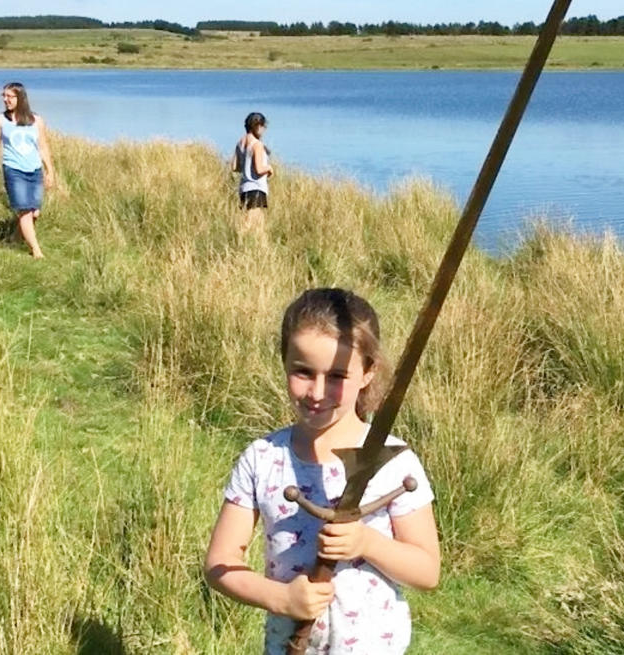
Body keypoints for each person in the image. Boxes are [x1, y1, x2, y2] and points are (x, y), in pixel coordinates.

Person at [205, 288, 440, 654]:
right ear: (284, 362)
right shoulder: (263, 459)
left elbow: (427, 572)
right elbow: (219, 564)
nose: (317, 391)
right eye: (303, 372)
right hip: (291, 645)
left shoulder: (393, 461)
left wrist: (367, 543)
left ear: (367, 373)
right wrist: (282, 598)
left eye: (336, 376)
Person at [0, 82, 56, 259]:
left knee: (34, 212)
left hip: (34, 170)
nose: (5, 100)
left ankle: (15, 238)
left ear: (20, 98)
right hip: (13, 170)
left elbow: (43, 147)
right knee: (24, 210)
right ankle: (36, 251)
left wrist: (50, 171)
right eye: (4, 96)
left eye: (9, 96)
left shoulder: (36, 120)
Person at [230, 111, 274, 232]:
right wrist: (269, 168)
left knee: (259, 225)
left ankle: (261, 249)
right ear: (258, 126)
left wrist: (246, 167)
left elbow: (234, 167)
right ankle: (237, 243)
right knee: (248, 224)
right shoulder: (257, 145)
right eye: (264, 127)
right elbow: (260, 169)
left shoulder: (240, 143)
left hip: (244, 188)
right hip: (256, 188)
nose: (264, 130)